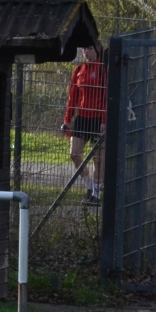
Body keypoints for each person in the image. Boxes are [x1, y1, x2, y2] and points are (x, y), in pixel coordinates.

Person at [63, 45, 106, 205]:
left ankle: (96, 193)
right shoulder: (78, 69)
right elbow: (72, 96)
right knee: (74, 154)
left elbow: (106, 95)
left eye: (90, 49)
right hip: (82, 117)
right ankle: (89, 184)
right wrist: (67, 119)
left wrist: (104, 120)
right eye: (84, 49)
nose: (87, 52)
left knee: (98, 158)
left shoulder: (102, 69)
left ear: (97, 50)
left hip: (98, 119)